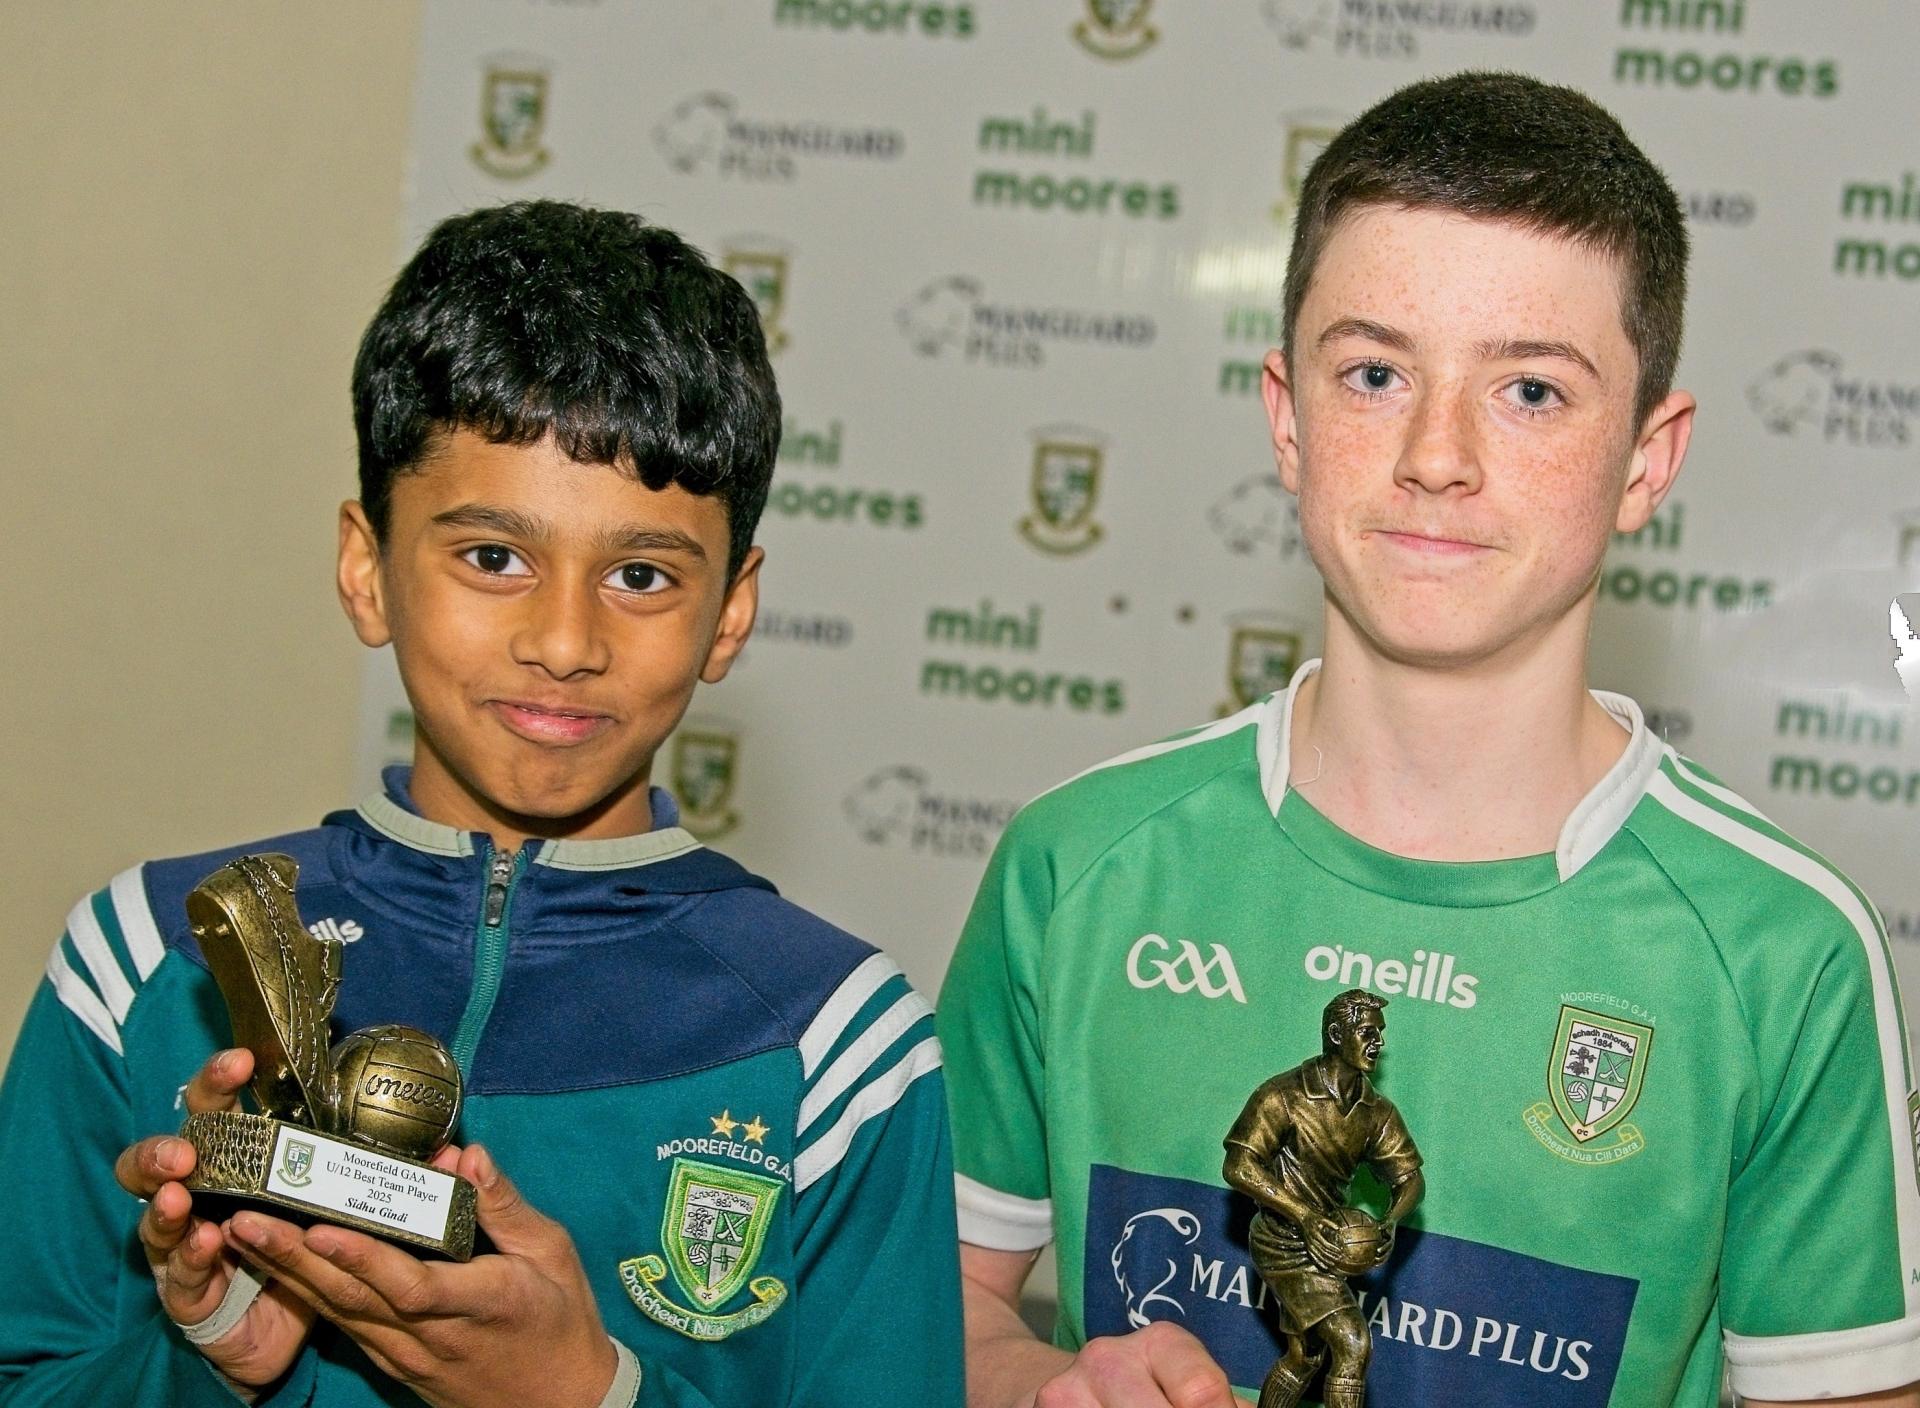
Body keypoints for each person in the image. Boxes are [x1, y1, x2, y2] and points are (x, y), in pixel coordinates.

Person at [937, 72, 1920, 1408]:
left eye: (1531, 390)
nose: (1437, 454)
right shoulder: (1080, 866)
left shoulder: (1781, 953)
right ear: (1289, 419)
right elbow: (930, 1307)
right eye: (1376, 374)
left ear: (1647, 459)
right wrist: (1040, 1385)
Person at [0, 200, 960, 1408]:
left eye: (641, 574)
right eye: (494, 557)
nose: (563, 641)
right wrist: (212, 1357)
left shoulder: (837, 1045)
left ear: (730, 612)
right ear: (367, 568)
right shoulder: (142, 960)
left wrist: (584, 1392)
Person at [1222, 990, 1422, 1408]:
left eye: (1380, 1034)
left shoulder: (1376, 1111)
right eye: (1367, 1033)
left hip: (1328, 1244)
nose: (1378, 1042)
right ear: (1335, 1034)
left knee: (1305, 1356)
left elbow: (1410, 1181)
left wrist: (1391, 1219)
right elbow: (1238, 1166)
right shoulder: (1282, 1095)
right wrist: (1303, 1215)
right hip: (1281, 1242)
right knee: (1353, 1342)